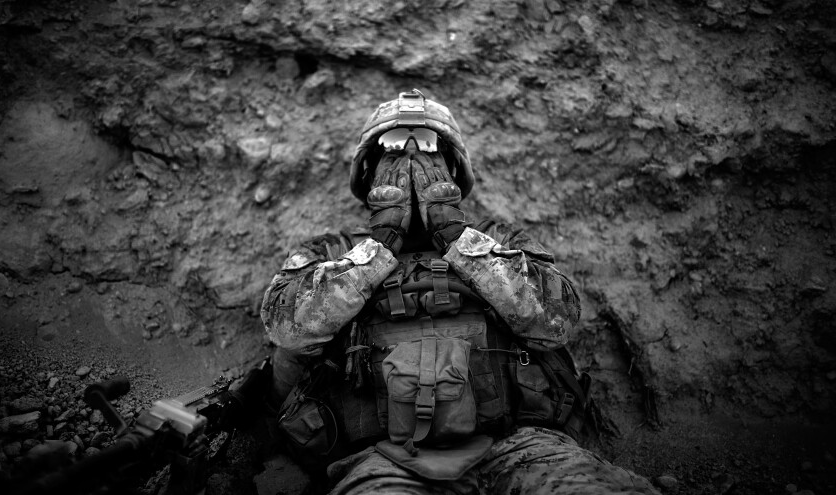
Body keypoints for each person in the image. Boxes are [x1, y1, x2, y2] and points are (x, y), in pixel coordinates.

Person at [260, 90, 660, 494]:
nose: (411, 158)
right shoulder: (330, 251)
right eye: (393, 146)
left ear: (452, 167)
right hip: (382, 460)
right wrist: (378, 247)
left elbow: (555, 321)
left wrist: (458, 240)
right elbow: (286, 328)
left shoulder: (499, 238)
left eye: (428, 145)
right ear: (369, 171)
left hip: (523, 447)